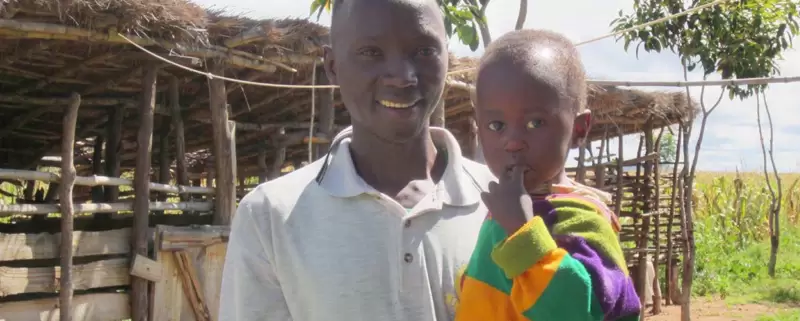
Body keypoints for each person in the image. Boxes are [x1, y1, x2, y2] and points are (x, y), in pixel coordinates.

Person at [218, 0, 495, 320]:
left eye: (423, 51)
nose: (402, 77)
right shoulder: (270, 217)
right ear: (332, 65)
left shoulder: (506, 204)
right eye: (370, 52)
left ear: (447, 56)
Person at [453, 29, 641, 321]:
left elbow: (579, 311)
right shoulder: (506, 209)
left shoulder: (579, 221)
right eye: (496, 125)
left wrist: (521, 233)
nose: (512, 141)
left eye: (535, 122)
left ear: (579, 130)